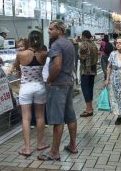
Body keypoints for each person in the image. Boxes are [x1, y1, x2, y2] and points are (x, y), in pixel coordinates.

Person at [38, 20, 77, 161]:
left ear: (59, 30)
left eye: (51, 29)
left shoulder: (56, 45)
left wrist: (49, 80)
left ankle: (54, 152)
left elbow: (57, 66)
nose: (49, 31)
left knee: (57, 120)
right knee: (70, 116)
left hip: (57, 85)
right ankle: (73, 145)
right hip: (68, 83)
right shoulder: (69, 43)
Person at [13, 30, 48, 157]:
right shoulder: (44, 54)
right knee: (40, 117)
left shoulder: (21, 54)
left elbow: (16, 67)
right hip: (39, 86)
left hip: (25, 87)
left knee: (26, 118)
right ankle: (40, 143)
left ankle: (27, 148)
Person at [79, 30, 98, 117]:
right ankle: (90, 107)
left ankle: (88, 109)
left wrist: (79, 55)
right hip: (93, 70)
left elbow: (82, 57)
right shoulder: (94, 45)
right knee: (90, 88)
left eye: (82, 36)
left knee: (85, 89)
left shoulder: (84, 44)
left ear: (84, 36)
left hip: (85, 71)